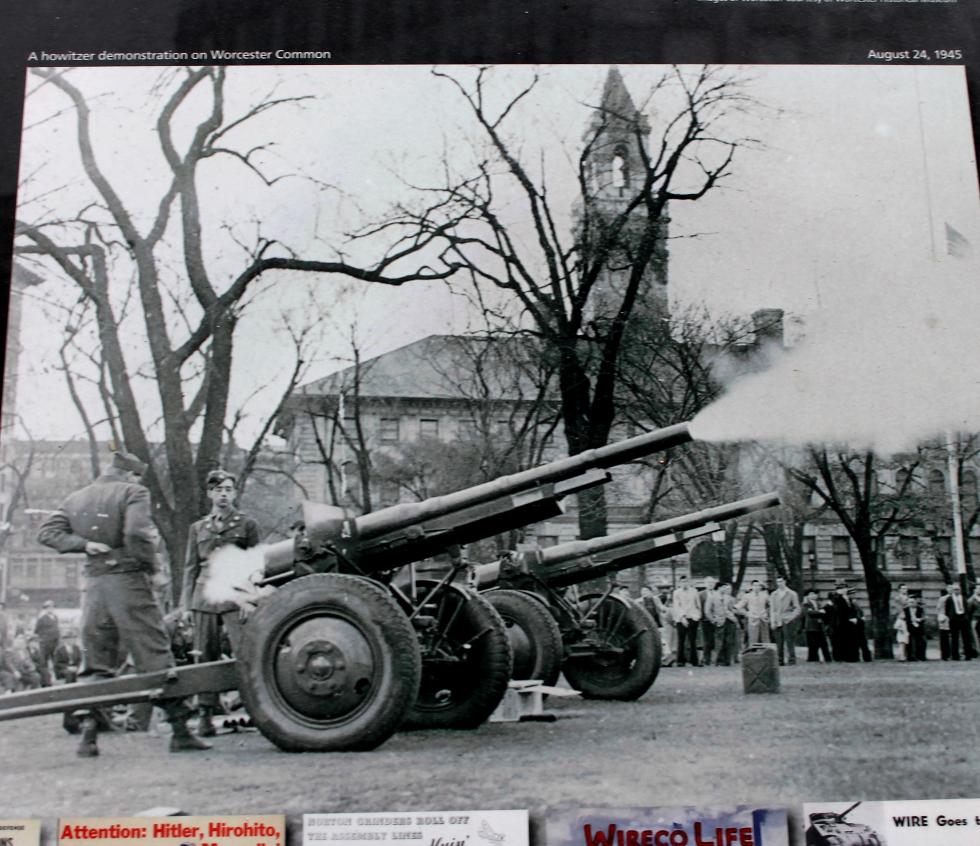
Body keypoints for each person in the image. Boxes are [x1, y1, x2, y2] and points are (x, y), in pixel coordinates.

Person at [37, 449, 211, 757]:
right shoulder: (134, 491)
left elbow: (48, 532)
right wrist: (153, 570)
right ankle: (181, 731)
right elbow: (135, 533)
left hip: (93, 585)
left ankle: (89, 735)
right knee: (154, 653)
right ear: (131, 474)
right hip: (128, 581)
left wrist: (84, 544)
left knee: (95, 660)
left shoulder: (77, 498)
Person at [181, 469, 260, 737]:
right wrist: (185, 606)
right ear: (210, 494)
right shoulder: (198, 528)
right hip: (204, 597)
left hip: (235, 596)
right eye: (218, 490)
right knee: (204, 656)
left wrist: (252, 599)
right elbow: (190, 568)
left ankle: (256, 710)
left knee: (245, 653)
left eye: (228, 489)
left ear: (234, 492)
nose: (223, 494)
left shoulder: (247, 524)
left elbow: (256, 565)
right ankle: (205, 714)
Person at [937, 583, 975, 661]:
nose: (956, 591)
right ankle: (955, 656)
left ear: (960, 590)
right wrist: (951, 616)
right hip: (954, 620)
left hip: (963, 619)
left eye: (957, 589)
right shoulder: (949, 599)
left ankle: (968, 655)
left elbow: (967, 608)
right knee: (955, 638)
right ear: (953, 590)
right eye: (954, 589)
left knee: (966, 638)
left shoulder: (963, 598)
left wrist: (966, 617)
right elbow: (947, 610)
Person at [671, 574, 702, 667]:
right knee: (681, 640)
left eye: (686, 581)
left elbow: (698, 605)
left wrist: (697, 616)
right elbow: (676, 606)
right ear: (680, 583)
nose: (685, 583)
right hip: (681, 619)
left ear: (689, 582)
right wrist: (682, 617)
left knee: (693, 640)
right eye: (683, 582)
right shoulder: (676, 593)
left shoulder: (694, 591)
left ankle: (694, 661)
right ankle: (680, 661)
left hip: (693, 617)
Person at [769, 576, 801, 666]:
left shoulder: (791, 593)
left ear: (785, 582)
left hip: (787, 620)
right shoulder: (774, 594)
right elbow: (772, 609)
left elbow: (797, 608)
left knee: (789, 641)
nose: (779, 583)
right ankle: (780, 660)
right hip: (777, 620)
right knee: (779, 642)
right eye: (778, 582)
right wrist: (772, 621)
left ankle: (791, 659)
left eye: (781, 581)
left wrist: (791, 617)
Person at [33, 599, 61, 686]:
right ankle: (45, 681)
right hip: (45, 643)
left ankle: (58, 677)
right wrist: (44, 637)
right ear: (45, 609)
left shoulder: (55, 617)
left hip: (55, 643)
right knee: (44, 662)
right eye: (49, 607)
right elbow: (36, 630)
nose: (51, 609)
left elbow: (57, 629)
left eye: (52, 607)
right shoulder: (42, 618)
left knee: (56, 660)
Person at [713, 583, 739, 666]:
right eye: (725, 588)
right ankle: (719, 660)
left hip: (729, 620)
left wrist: (734, 616)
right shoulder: (714, 597)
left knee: (728, 641)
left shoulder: (729, 598)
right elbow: (711, 609)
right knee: (720, 641)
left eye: (728, 589)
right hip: (720, 620)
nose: (727, 590)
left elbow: (732, 609)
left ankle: (727, 660)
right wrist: (714, 619)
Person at [737, 580, 769, 647]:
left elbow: (772, 606)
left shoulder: (765, 596)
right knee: (753, 639)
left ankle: (765, 655)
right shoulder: (747, 596)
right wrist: (747, 614)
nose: (757, 587)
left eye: (758, 585)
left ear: (760, 587)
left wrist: (767, 613)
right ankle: (752, 655)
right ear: (751, 587)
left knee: (765, 639)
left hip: (763, 619)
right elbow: (739, 607)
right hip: (753, 620)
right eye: (755, 585)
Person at [802, 590, 831, 663]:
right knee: (812, 645)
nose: (814, 595)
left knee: (823, 643)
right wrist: (819, 612)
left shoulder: (818, 603)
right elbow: (809, 613)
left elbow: (823, 612)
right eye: (811, 594)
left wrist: (820, 612)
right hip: (810, 627)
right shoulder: (806, 603)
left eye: (815, 594)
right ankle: (813, 659)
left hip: (819, 626)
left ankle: (827, 658)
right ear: (808, 595)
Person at [905, 592, 927, 661]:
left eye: (913, 602)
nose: (911, 603)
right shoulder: (905, 610)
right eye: (910, 602)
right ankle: (910, 656)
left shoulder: (920, 609)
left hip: (918, 627)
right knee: (909, 643)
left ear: (915, 602)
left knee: (920, 642)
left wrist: (919, 619)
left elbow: (923, 617)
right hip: (909, 628)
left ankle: (920, 656)